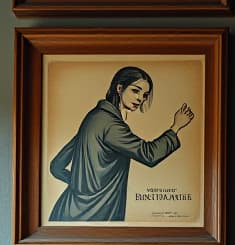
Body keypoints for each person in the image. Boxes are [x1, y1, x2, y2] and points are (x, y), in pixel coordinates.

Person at [48, 66, 194, 222]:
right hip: (95, 215)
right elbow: (149, 154)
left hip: (66, 212)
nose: (140, 99)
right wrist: (176, 127)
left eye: (145, 95)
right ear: (119, 88)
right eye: (135, 91)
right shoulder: (111, 125)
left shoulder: (93, 117)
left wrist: (81, 186)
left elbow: (56, 166)